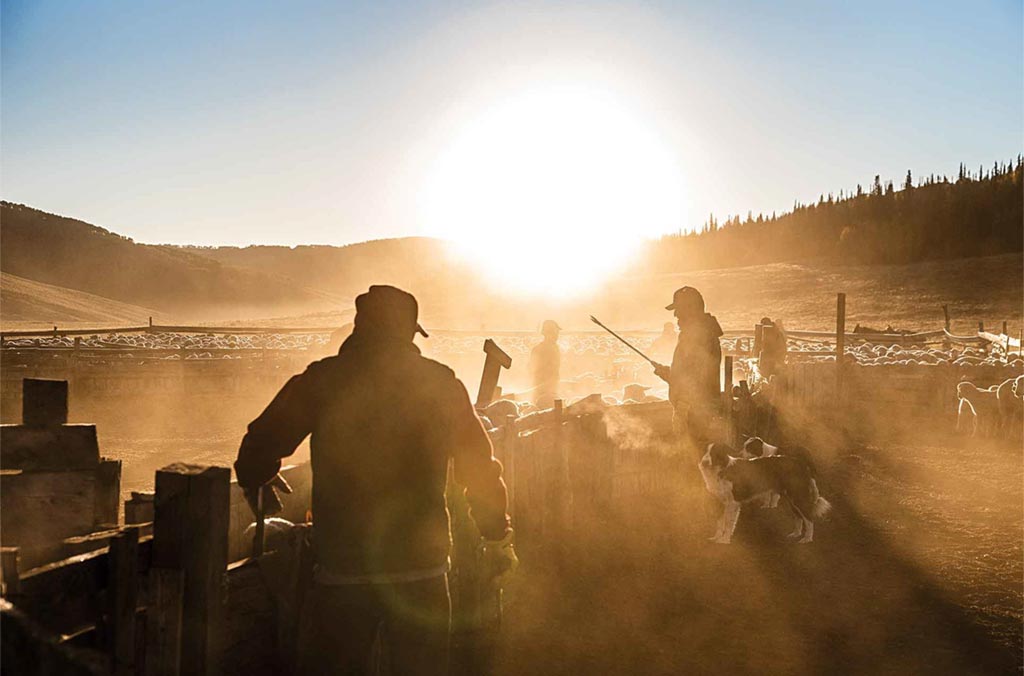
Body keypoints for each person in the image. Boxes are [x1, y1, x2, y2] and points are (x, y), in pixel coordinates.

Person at [234, 285, 515, 676]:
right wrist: (494, 528)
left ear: (359, 326)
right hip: (422, 569)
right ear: (409, 332)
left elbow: (260, 443)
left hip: (343, 568)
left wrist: (258, 476)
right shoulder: (441, 383)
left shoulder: (323, 379)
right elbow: (478, 465)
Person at [652, 286, 724, 457]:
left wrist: (684, 406)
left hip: (695, 412)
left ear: (690, 309)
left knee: (694, 460)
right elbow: (691, 373)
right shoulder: (701, 332)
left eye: (678, 309)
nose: (675, 315)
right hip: (698, 409)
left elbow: (697, 377)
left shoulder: (697, 335)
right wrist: (669, 375)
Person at [529, 319, 562, 409]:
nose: (557, 336)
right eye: (555, 333)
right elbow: (533, 370)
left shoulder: (554, 348)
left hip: (552, 387)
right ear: (548, 333)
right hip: (542, 389)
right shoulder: (540, 349)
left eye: (557, 333)